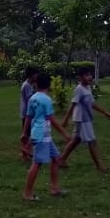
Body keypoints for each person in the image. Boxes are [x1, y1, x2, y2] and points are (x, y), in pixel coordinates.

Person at [21, 73, 72, 201]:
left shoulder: (33, 98)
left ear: (36, 84)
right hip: (42, 135)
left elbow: (28, 117)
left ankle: (54, 188)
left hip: (42, 135)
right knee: (37, 164)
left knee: (56, 158)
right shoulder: (47, 100)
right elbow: (51, 119)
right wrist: (64, 133)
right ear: (49, 85)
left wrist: (24, 133)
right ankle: (27, 193)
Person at [58, 66, 110, 172]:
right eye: (86, 75)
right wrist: (65, 120)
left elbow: (92, 104)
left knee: (76, 140)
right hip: (82, 120)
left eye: (90, 75)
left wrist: (104, 112)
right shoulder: (79, 89)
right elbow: (72, 105)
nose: (89, 77)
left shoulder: (87, 88)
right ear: (80, 77)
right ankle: (99, 166)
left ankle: (61, 159)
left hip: (86, 118)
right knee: (92, 141)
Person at [18, 66, 40, 161]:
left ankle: (26, 152)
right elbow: (30, 100)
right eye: (36, 74)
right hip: (27, 113)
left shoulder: (30, 84)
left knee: (28, 133)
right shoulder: (26, 86)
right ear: (31, 75)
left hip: (28, 113)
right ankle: (25, 152)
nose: (37, 76)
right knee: (27, 133)